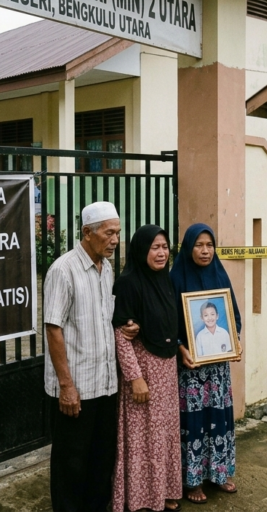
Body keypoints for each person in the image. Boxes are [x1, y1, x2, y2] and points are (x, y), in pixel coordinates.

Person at [44, 201, 139, 512]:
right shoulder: (63, 269)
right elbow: (53, 328)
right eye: (109, 233)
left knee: (101, 461)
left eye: (118, 233)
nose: (115, 240)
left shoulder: (107, 268)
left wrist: (124, 330)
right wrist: (66, 387)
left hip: (106, 384)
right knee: (71, 464)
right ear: (87, 233)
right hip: (78, 388)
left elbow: (102, 319)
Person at [171, 224, 244, 504]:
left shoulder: (219, 274)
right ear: (188, 247)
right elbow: (169, 321)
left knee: (219, 418)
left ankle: (219, 472)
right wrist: (180, 347)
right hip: (190, 370)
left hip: (217, 369)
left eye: (209, 245)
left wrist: (234, 341)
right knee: (194, 422)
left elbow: (232, 314)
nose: (205, 251)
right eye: (199, 245)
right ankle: (192, 481)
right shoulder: (176, 278)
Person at [111, 224, 183, 512]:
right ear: (142, 250)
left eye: (165, 247)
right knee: (142, 439)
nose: (162, 252)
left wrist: (179, 349)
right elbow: (120, 333)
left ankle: (163, 491)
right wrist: (135, 378)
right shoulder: (128, 282)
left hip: (166, 369)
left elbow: (167, 324)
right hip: (143, 370)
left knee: (164, 436)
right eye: (155, 247)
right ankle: (140, 499)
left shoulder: (165, 281)